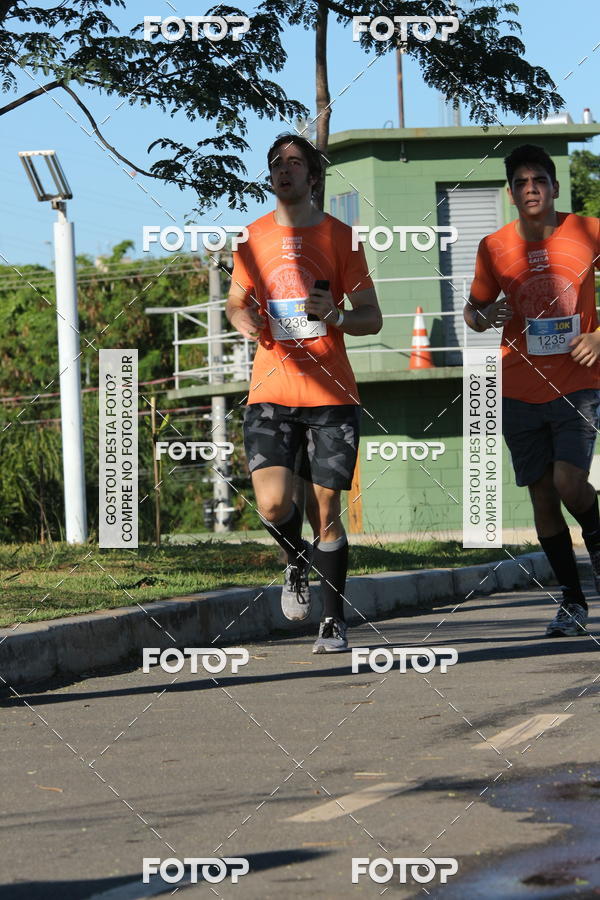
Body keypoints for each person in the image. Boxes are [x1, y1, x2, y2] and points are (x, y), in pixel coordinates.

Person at [226, 132, 382, 652]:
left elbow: (371, 317)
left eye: (295, 162)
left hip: (331, 395)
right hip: (271, 389)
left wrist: (334, 314)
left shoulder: (343, 237)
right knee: (272, 505)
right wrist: (244, 318)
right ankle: (296, 560)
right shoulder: (251, 237)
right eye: (276, 163)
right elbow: (235, 303)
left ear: (313, 177)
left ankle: (333, 620)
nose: (283, 169)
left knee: (326, 508)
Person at [464, 143, 600, 637]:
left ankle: (597, 543)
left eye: (538, 181)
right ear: (510, 193)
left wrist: (599, 336)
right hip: (517, 387)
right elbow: (474, 311)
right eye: (520, 183)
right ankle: (572, 601)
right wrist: (484, 316)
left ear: (554, 187)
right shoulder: (493, 246)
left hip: (578, 383)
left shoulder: (587, 230)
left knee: (569, 482)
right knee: (543, 498)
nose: (530, 190)